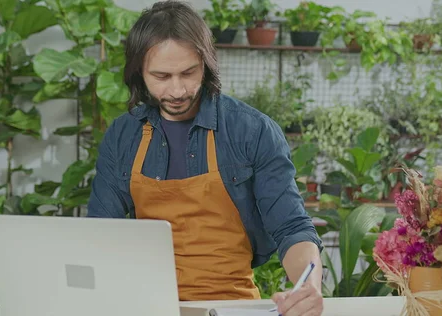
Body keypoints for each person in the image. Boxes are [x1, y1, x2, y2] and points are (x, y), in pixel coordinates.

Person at [86, 1, 324, 315]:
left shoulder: (251, 131)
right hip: (147, 306)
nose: (177, 89)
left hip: (229, 306)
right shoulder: (123, 135)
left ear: (206, 63)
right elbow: (101, 235)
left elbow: (293, 229)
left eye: (189, 72)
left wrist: (308, 288)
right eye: (161, 76)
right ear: (138, 73)